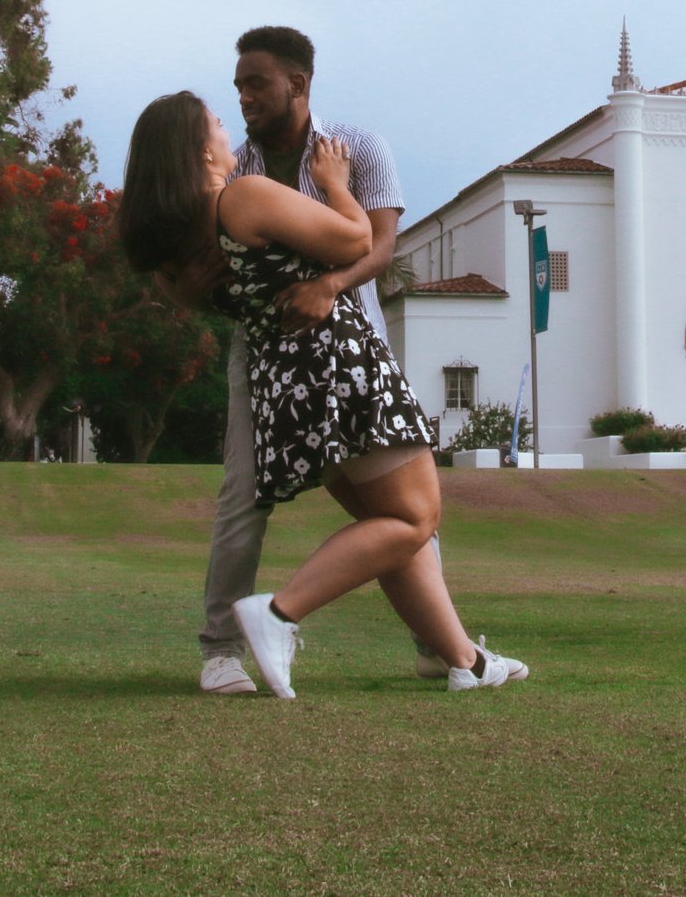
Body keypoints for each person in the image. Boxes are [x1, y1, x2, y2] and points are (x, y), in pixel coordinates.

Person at [120, 80, 526, 700]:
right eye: (218, 126)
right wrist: (336, 182)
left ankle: (461, 661)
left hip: (285, 388)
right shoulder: (244, 197)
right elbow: (359, 241)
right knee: (416, 516)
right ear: (201, 153)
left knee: (386, 524)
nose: (230, 130)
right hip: (338, 365)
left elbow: (201, 295)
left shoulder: (180, 248)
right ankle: (279, 614)